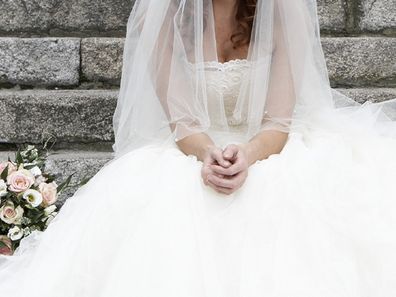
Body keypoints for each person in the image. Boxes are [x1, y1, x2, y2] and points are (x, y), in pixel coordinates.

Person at [1, 0, 396, 296]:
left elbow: (278, 123)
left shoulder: (281, 9)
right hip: (193, 148)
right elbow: (182, 123)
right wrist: (208, 154)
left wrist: (248, 155)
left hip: (268, 145)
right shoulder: (164, 15)